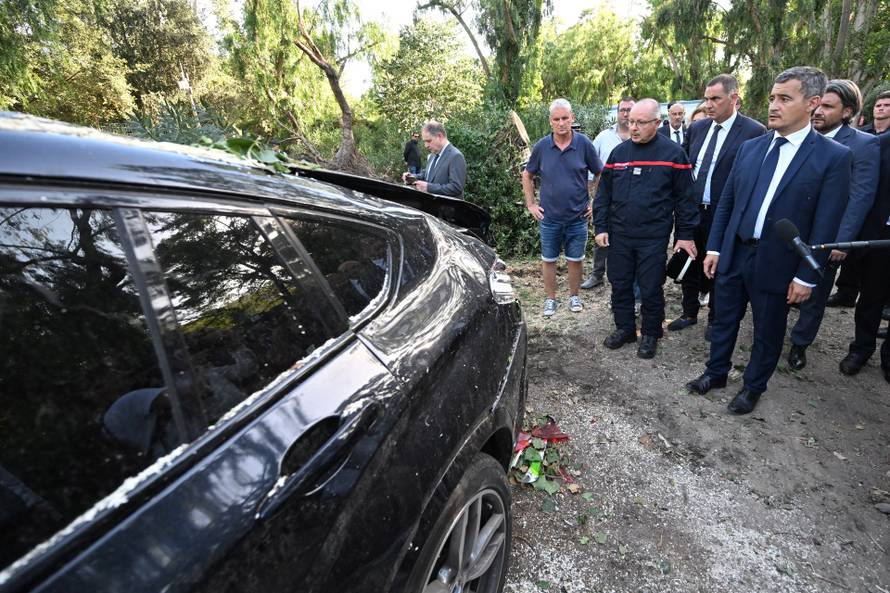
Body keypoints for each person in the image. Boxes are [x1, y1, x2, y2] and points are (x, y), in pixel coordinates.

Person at [685, 66, 852, 415]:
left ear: (812, 103)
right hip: (735, 252)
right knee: (723, 319)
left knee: (767, 331)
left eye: (785, 99)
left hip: (779, 263)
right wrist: (715, 247)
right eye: (773, 98)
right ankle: (716, 373)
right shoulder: (750, 148)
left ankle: (752, 387)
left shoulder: (833, 157)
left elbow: (826, 223)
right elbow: (727, 202)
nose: (773, 105)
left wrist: (807, 275)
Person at [593, 98, 698, 358]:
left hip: (653, 237)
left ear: (657, 123)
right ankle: (625, 328)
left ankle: (651, 333)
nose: (634, 128)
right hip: (619, 236)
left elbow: (686, 200)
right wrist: (601, 227)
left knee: (651, 287)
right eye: (630, 122)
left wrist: (684, 236)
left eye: (640, 122)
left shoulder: (673, 154)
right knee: (620, 283)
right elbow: (603, 194)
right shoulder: (619, 154)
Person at [786, 80, 879, 370]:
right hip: (792, 229)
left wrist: (842, 241)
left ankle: (799, 343)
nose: (818, 111)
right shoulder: (800, 135)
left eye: (828, 106)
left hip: (827, 237)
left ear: (847, 111)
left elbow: (861, 196)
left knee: (815, 292)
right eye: (818, 103)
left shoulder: (864, 144)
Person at [668, 74, 766, 340]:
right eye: (706, 99)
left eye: (715, 99)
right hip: (691, 212)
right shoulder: (697, 129)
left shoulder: (754, 132)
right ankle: (689, 313)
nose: (709, 105)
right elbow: (685, 169)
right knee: (689, 259)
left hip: (724, 214)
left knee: (718, 267)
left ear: (734, 98)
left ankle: (714, 318)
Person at [522, 98, 603, 317]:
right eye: (556, 119)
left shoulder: (584, 144)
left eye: (565, 118)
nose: (561, 123)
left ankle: (574, 296)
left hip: (577, 217)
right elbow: (527, 174)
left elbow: (600, 173)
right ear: (550, 122)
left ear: (572, 118)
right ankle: (550, 300)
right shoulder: (542, 147)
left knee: (575, 260)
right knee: (548, 260)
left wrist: (595, 203)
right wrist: (531, 204)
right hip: (549, 218)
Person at [828, 89, 890, 307]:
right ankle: (846, 292)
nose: (881, 108)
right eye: (878, 105)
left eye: (886, 105)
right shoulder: (864, 133)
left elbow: (864, 191)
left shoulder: (870, 142)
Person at [840, 131, 890, 382]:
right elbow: (865, 191)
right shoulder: (879, 144)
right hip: (881, 237)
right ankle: (861, 349)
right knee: (872, 296)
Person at [581, 96, 635, 290]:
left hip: (632, 202)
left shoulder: (641, 137)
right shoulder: (603, 137)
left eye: (630, 109)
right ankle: (597, 274)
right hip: (606, 198)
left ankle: (625, 278)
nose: (626, 114)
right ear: (617, 112)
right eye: (623, 110)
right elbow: (590, 168)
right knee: (601, 234)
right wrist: (590, 196)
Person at [402, 121, 467, 198]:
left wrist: (429, 188)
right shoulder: (433, 154)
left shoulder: (456, 156)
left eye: (429, 141)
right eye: (424, 142)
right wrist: (412, 177)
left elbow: (456, 188)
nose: (426, 145)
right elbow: (427, 175)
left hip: (448, 208)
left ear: (440, 136)